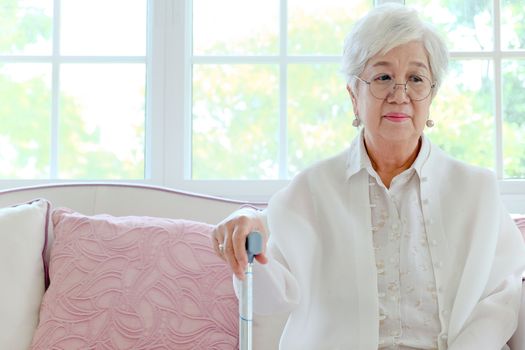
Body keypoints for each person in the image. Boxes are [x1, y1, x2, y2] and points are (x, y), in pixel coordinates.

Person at [211, 4, 525, 350]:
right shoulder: (311, 191)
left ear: (431, 95)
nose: (400, 94)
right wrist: (246, 224)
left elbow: (503, 298)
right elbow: (267, 298)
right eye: (383, 77)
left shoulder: (476, 191)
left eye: (416, 79)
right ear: (353, 96)